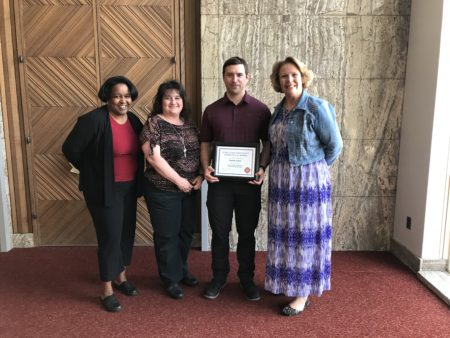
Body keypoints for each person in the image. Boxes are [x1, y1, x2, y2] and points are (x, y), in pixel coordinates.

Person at [264, 57, 343, 316]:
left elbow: (334, 146)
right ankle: (288, 282)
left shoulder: (316, 107)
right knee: (285, 235)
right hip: (281, 183)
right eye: (284, 76)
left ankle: (302, 293)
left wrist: (314, 170)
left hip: (307, 185)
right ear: (278, 82)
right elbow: (273, 145)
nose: (290, 80)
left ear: (303, 76)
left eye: (294, 74)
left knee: (304, 237)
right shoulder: (278, 110)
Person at [62, 76, 144, 312]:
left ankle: (121, 278)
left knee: (125, 234)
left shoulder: (134, 121)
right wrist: (92, 171)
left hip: (128, 188)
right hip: (103, 190)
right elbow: (70, 149)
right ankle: (106, 289)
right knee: (110, 236)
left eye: (127, 95)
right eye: (117, 95)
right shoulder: (94, 120)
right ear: (107, 96)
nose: (123, 100)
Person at [200, 56, 271, 301]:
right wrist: (204, 168)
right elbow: (205, 143)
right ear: (224, 78)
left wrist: (261, 167)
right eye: (230, 74)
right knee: (219, 233)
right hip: (219, 185)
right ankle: (219, 277)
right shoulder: (211, 110)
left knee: (246, 233)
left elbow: (268, 143)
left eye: (239, 74)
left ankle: (246, 279)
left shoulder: (261, 110)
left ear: (247, 77)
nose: (234, 79)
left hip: (248, 185)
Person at [140, 80, 202, 299]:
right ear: (160, 101)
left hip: (189, 189)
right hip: (162, 189)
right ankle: (170, 278)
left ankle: (181, 269)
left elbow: (199, 154)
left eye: (177, 97)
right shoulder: (153, 123)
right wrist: (179, 181)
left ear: (183, 101)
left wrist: (200, 176)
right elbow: (153, 158)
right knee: (167, 235)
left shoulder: (190, 125)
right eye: (168, 97)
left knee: (185, 233)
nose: (173, 101)